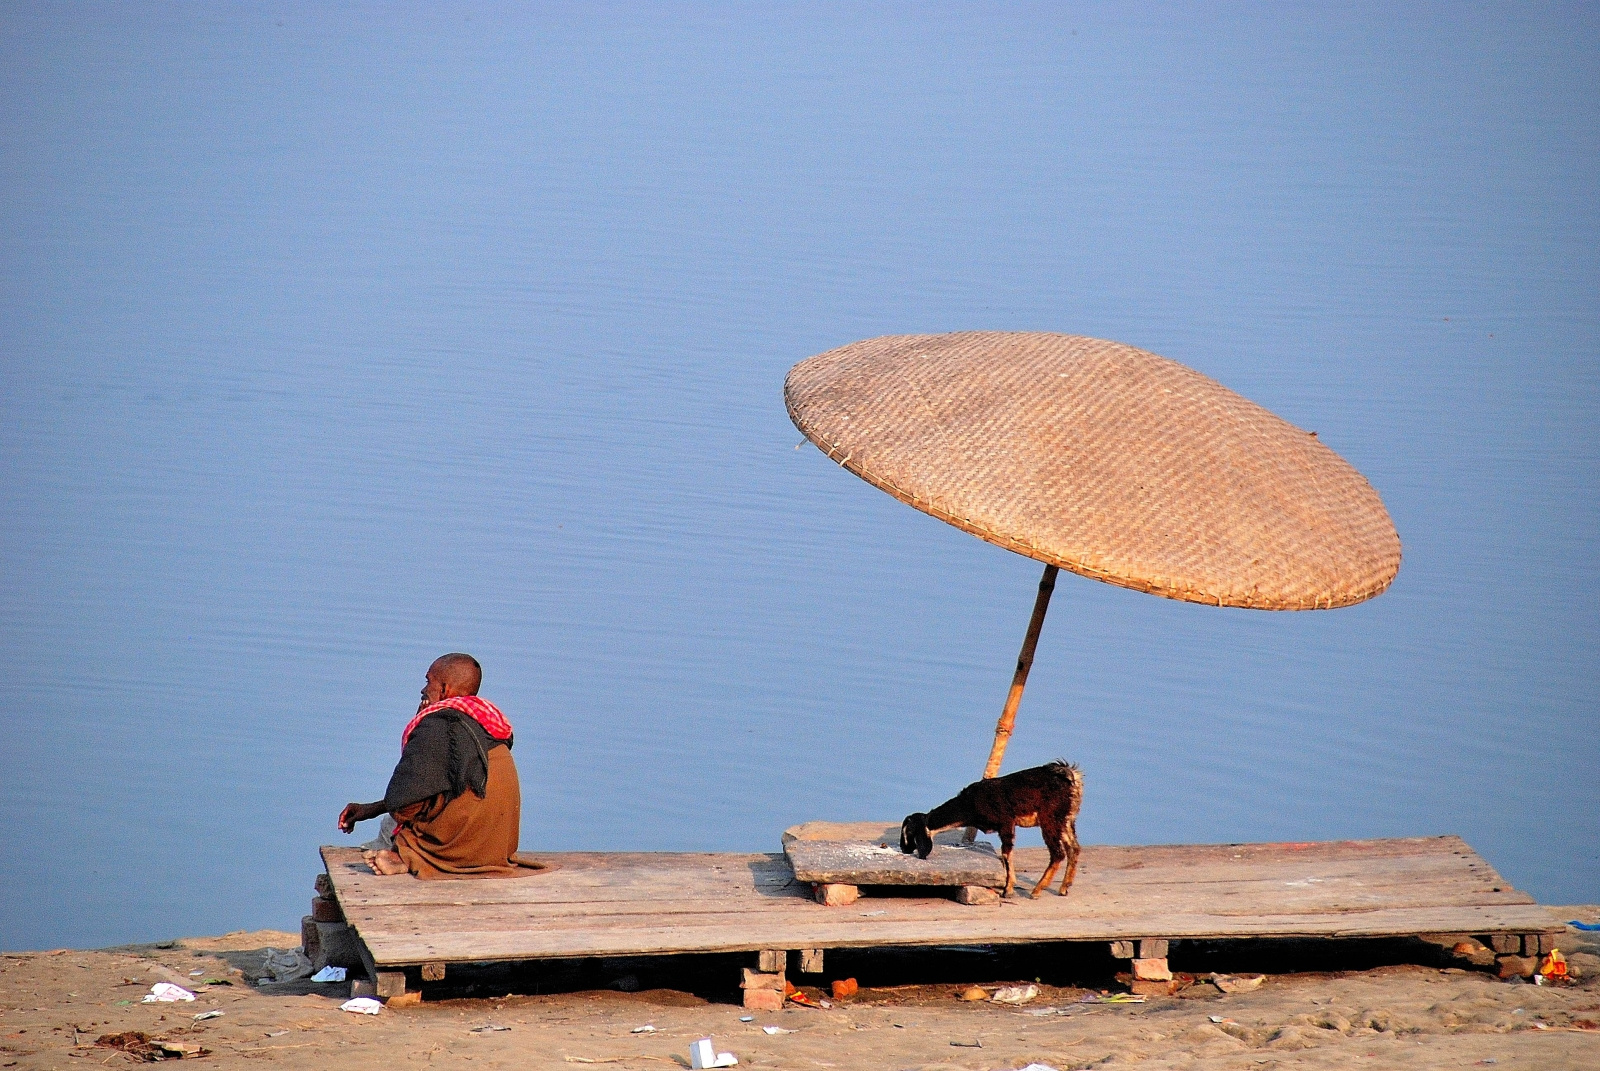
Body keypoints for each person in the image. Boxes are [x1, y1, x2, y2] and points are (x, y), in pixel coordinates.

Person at [338, 653, 522, 878]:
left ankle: (406, 856)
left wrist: (422, 722)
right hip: (496, 849)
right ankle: (402, 853)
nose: (423, 690)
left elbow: (404, 806)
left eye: (428, 682)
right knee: (397, 815)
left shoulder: (438, 726)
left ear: (444, 689)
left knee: (391, 824)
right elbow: (435, 786)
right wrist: (371, 809)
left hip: (458, 851)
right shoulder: (487, 721)